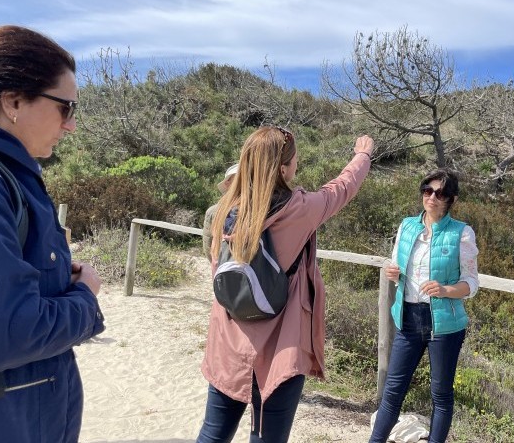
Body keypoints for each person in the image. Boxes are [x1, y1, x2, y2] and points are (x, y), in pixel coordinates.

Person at [0, 25, 105, 442]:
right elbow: (9, 334)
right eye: (65, 107)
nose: (71, 125)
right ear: (13, 101)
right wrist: (85, 297)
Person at [197, 126, 374, 443]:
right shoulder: (300, 210)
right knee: (267, 437)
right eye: (294, 162)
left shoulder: (223, 210)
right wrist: (362, 154)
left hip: (228, 339)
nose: (297, 166)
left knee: (213, 433)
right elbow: (342, 188)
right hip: (281, 344)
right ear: (282, 169)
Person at [369, 168, 479, 443]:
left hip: (444, 323)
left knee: (441, 394)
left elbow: (471, 283)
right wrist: (392, 272)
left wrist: (445, 289)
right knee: (393, 390)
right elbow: (394, 262)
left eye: (439, 193)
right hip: (408, 317)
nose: (431, 197)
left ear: (450, 199)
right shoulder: (407, 226)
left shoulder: (461, 233)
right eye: (427, 190)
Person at [202, 163, 239, 261]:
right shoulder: (213, 212)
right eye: (239, 179)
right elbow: (209, 247)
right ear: (227, 184)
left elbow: (208, 247)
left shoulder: (260, 211)